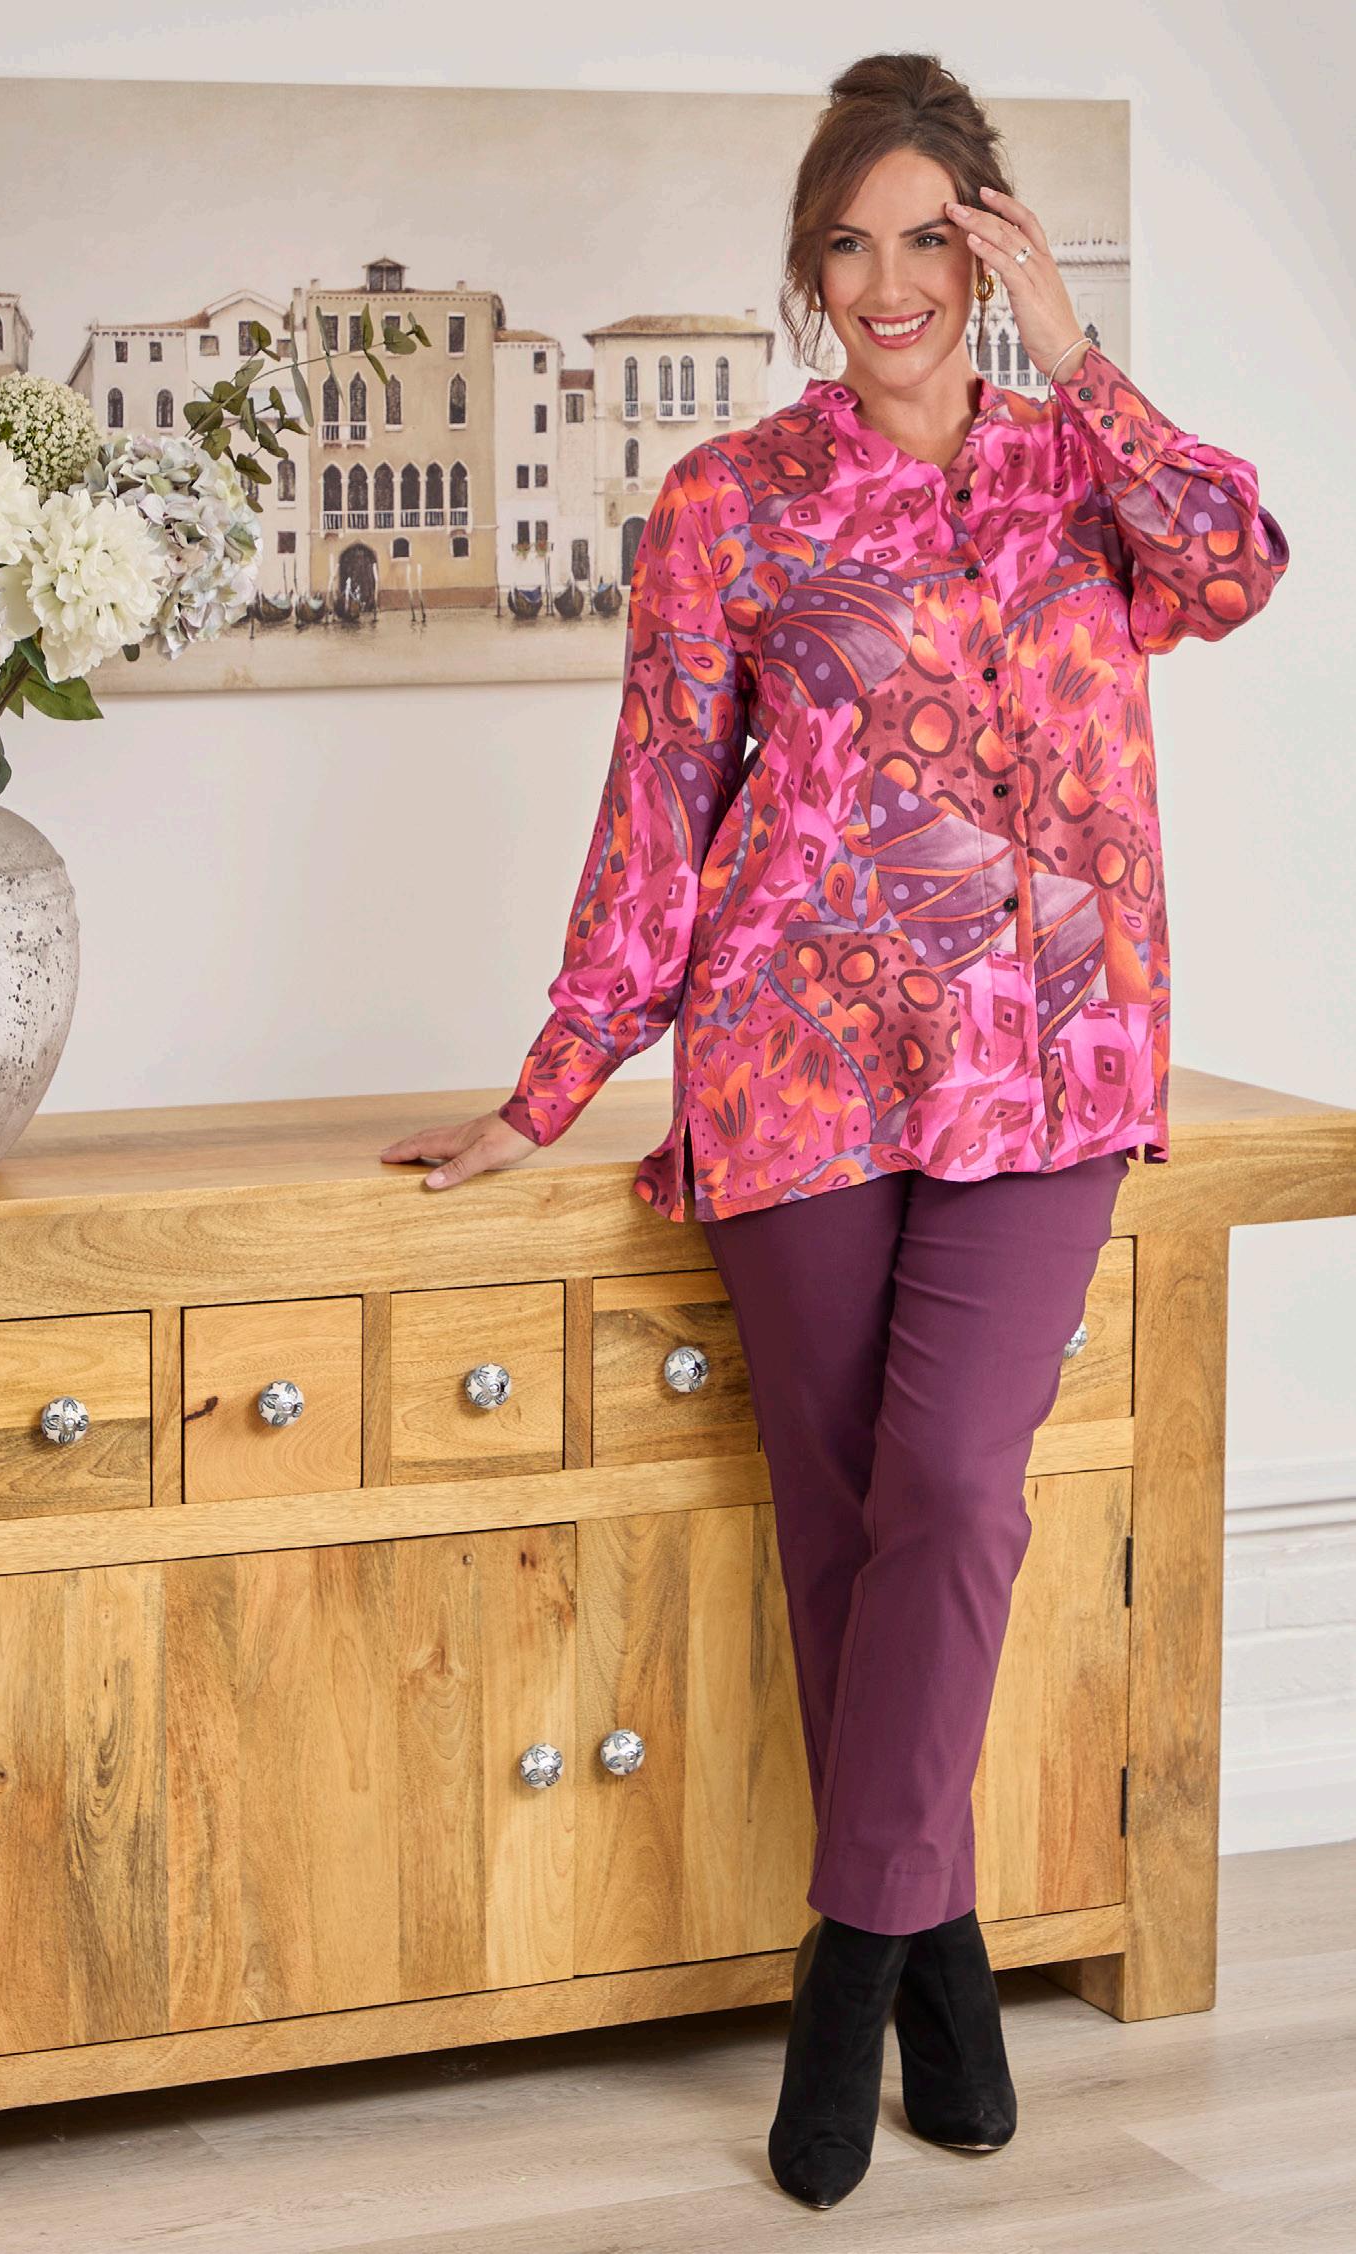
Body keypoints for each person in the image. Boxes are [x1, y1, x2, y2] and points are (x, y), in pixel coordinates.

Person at [379, 49, 1289, 2216]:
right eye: (849, 243)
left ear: (986, 245)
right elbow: (659, 802)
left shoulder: (1085, 477)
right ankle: (941, 1948)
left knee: (952, 1490)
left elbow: (1238, 567)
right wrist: (548, 1084)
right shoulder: (725, 500)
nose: (887, 281)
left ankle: (844, 1964)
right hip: (788, 1063)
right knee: (840, 1522)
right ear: (809, 266)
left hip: (1044, 1064)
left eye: (928, 237)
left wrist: (1074, 349)